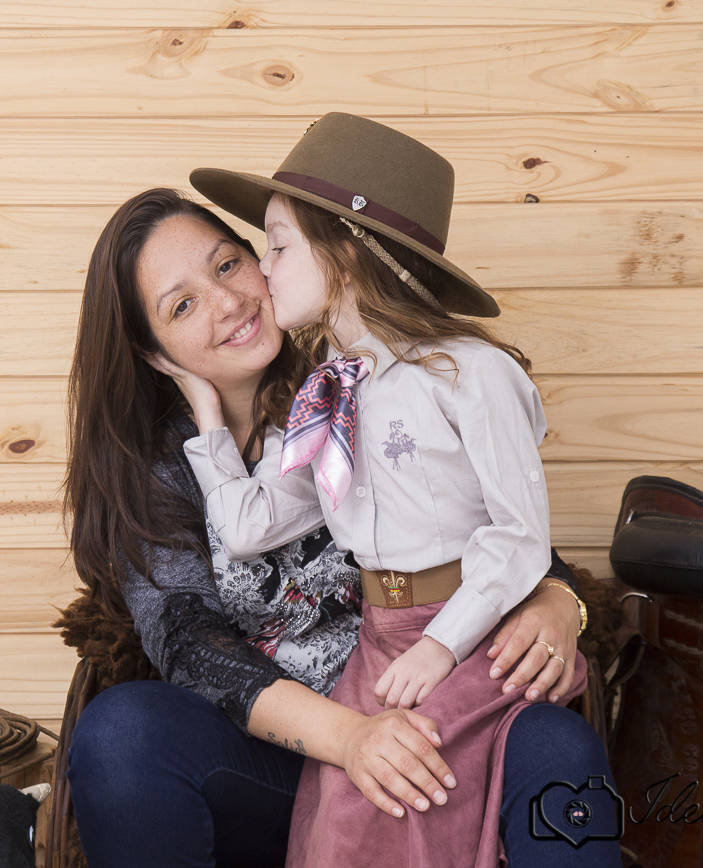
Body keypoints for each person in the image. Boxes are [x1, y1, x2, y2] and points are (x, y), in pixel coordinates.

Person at [63, 186, 607, 868]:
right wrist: (353, 740)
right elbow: (190, 646)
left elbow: (493, 528)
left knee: (559, 745)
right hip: (274, 761)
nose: (228, 301)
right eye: (183, 304)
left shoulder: (350, 379)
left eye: (229, 265)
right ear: (153, 351)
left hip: (427, 702)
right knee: (120, 733)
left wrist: (564, 602)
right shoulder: (158, 471)